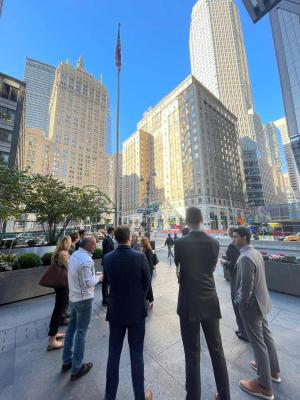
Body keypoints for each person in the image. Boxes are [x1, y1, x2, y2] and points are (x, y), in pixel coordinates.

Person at [175, 207, 230, 400]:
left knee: (192, 353)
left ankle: (193, 397)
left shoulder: (180, 243)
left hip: (188, 302)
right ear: (201, 220)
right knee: (217, 350)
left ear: (187, 221)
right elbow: (212, 267)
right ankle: (224, 395)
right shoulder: (214, 243)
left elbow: (179, 270)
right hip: (209, 300)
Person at [103, 225, 152, 400]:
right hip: (136, 311)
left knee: (113, 355)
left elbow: (107, 281)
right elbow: (147, 283)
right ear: (129, 238)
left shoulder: (108, 258)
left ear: (115, 238)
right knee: (136, 355)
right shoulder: (139, 257)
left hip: (116, 311)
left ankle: (109, 396)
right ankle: (140, 396)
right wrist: (139, 296)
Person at [233, 227, 281, 400]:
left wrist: (241, 303)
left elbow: (246, 287)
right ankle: (273, 371)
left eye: (236, 236)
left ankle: (263, 385)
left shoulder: (245, 257)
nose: (233, 240)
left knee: (258, 343)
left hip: (252, 307)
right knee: (267, 338)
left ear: (245, 237)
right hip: (262, 303)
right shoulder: (256, 253)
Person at [61, 236, 102, 381]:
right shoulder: (86, 260)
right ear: (89, 245)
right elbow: (88, 283)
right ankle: (76, 368)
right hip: (84, 299)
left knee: (71, 329)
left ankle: (67, 361)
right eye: (95, 244)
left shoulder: (74, 256)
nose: (96, 247)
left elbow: (78, 276)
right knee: (81, 332)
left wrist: (92, 276)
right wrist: (100, 277)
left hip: (73, 297)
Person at [220, 226, 248, 342]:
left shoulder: (232, 245)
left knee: (236, 304)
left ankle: (243, 331)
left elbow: (234, 264)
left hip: (236, 278)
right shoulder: (242, 246)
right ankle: (243, 329)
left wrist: (224, 262)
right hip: (241, 276)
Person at [47, 236, 72, 351]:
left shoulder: (57, 252)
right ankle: (52, 341)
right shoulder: (63, 254)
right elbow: (71, 267)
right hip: (63, 285)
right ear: (67, 243)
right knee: (58, 310)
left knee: (58, 309)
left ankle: (54, 333)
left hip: (59, 285)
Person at [102, 226, 115, 306]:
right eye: (114, 231)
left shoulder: (108, 239)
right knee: (105, 281)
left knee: (106, 280)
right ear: (111, 231)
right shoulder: (107, 239)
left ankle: (106, 295)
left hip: (107, 261)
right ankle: (105, 298)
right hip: (107, 262)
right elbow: (107, 252)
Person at [140, 236, 155, 309]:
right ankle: (147, 299)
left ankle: (151, 300)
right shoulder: (145, 249)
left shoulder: (148, 250)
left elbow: (149, 262)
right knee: (147, 284)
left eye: (141, 242)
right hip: (146, 269)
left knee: (148, 284)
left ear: (144, 243)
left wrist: (147, 271)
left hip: (149, 270)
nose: (140, 243)